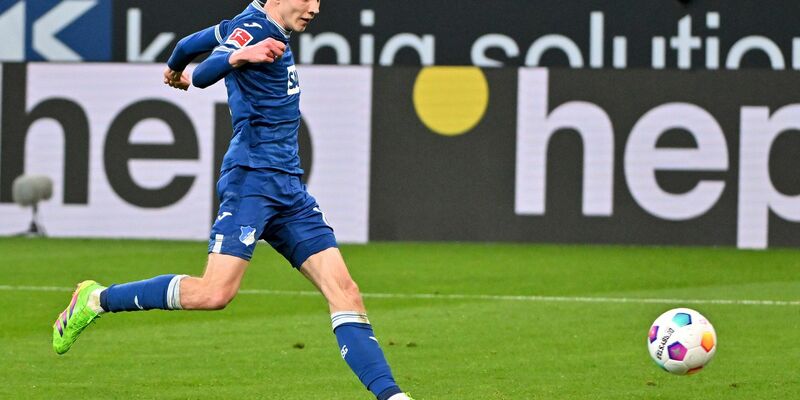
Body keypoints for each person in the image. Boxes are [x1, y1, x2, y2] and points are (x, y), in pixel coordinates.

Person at [52, 1, 413, 399]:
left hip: (289, 190)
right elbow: (208, 71)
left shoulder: (250, 23)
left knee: (346, 292)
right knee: (214, 294)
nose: (314, 7)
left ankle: (393, 397)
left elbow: (193, 43)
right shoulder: (255, 30)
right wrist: (239, 56)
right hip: (251, 182)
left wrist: (174, 70)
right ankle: (97, 299)